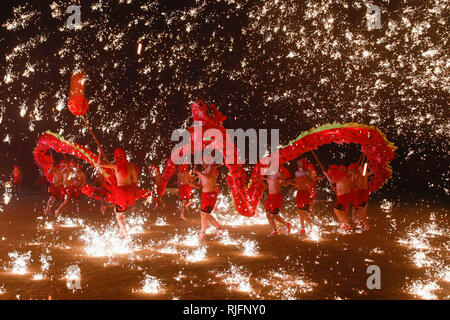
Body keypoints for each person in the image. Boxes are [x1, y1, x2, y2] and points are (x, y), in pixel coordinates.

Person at [98, 148, 139, 238]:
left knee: (118, 216)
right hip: (130, 192)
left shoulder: (116, 165)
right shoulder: (131, 166)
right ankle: (121, 230)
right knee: (119, 211)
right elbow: (136, 180)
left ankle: (126, 235)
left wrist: (100, 153)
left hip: (121, 193)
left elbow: (99, 165)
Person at [191, 163, 224, 240]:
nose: (203, 163)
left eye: (205, 161)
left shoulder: (211, 168)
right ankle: (219, 229)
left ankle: (202, 234)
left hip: (210, 195)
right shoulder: (203, 171)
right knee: (206, 214)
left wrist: (197, 172)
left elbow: (208, 178)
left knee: (204, 214)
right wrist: (192, 185)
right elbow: (199, 186)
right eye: (202, 162)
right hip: (205, 195)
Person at [257, 165, 292, 237]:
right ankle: (275, 230)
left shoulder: (278, 173)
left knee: (273, 215)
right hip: (270, 197)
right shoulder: (268, 175)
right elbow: (267, 187)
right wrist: (260, 181)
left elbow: (285, 184)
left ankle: (287, 224)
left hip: (277, 196)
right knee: (268, 214)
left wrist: (283, 181)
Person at [286, 159, 314, 234]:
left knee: (301, 210)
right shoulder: (297, 173)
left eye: (301, 164)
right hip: (299, 192)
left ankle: (303, 228)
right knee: (300, 211)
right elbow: (297, 183)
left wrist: (306, 176)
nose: (299, 165)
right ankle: (309, 225)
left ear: (304, 164)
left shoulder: (307, 172)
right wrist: (289, 182)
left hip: (305, 192)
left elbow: (311, 183)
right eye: (298, 164)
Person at [325, 165, 352, 233]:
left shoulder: (339, 175)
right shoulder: (344, 175)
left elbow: (332, 181)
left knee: (337, 210)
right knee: (342, 211)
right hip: (345, 196)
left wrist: (326, 174)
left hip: (343, 197)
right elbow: (338, 185)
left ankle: (345, 225)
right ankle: (345, 225)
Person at [348, 162, 373, 231]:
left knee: (359, 209)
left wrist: (366, 165)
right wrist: (366, 165)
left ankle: (366, 224)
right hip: (361, 192)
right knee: (358, 209)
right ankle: (362, 222)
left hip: (362, 192)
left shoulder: (361, 174)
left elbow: (355, 184)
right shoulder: (361, 173)